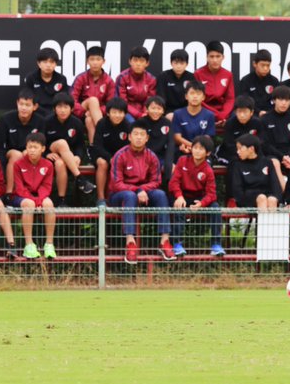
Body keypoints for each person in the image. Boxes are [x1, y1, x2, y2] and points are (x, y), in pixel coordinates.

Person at [108, 125, 174, 265]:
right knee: (129, 196)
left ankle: (164, 241)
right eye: (135, 134)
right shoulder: (120, 155)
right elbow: (116, 183)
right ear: (129, 137)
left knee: (161, 195)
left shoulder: (151, 156)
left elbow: (156, 181)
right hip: (119, 195)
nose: (138, 137)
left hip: (145, 192)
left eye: (142, 135)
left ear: (147, 138)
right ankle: (130, 243)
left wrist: (142, 189)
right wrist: (137, 190)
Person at [169, 135, 224, 257]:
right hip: (182, 196)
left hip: (199, 198)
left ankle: (216, 244)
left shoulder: (208, 169)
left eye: (201, 149)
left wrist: (201, 203)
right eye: (195, 147)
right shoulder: (182, 160)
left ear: (208, 153)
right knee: (178, 207)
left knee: (215, 208)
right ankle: (177, 244)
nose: (197, 151)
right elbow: (174, 182)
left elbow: (211, 194)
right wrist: (179, 196)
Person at [8, 132, 58, 260]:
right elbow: (19, 188)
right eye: (29, 147)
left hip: (39, 196)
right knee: (29, 205)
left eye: (35, 147)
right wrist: (35, 201)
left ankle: (49, 244)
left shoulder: (48, 164)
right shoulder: (18, 164)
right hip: (21, 196)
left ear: (43, 149)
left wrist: (39, 200)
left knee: (49, 204)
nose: (32, 150)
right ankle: (29, 244)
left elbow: (46, 186)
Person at [44, 92, 96, 203]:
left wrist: (77, 156)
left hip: (68, 158)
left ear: (71, 109)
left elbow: (80, 145)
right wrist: (46, 154)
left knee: (60, 164)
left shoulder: (77, 123)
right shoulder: (47, 122)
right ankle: (80, 178)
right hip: (50, 154)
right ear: (54, 109)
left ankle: (62, 200)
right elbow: (40, 142)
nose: (62, 110)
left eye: (66, 107)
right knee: (62, 143)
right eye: (59, 107)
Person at [0, 89, 43, 193]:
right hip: (10, 152)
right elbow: (0, 147)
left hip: (29, 151)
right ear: (17, 103)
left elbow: (42, 144)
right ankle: (9, 192)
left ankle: (30, 192)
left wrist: (29, 151)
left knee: (30, 152)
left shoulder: (40, 121)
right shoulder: (5, 119)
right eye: (21, 104)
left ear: (35, 107)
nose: (24, 108)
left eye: (27, 105)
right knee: (16, 155)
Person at [90, 98, 132, 208]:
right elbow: (97, 146)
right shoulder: (101, 124)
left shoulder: (128, 126)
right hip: (102, 154)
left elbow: (129, 147)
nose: (117, 115)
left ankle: (123, 196)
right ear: (108, 113)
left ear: (125, 114)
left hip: (121, 156)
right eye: (114, 112)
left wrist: (118, 158)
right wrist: (110, 158)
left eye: (120, 112)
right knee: (102, 163)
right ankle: (100, 199)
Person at [71, 45, 116, 144]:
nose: (95, 62)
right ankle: (103, 131)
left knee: (89, 120)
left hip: (98, 115)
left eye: (98, 59)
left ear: (103, 61)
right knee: (93, 100)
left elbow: (111, 104)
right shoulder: (81, 78)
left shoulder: (109, 81)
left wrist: (94, 111)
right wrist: (84, 112)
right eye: (92, 59)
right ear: (87, 61)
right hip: (81, 113)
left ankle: (94, 150)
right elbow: (72, 101)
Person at [228, 134, 282, 212]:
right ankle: (265, 224)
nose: (238, 152)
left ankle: (269, 224)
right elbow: (237, 191)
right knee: (261, 198)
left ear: (251, 149)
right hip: (248, 198)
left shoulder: (267, 163)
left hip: (267, 195)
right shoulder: (237, 165)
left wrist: (277, 198)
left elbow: (276, 186)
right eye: (237, 149)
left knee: (272, 199)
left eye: (240, 149)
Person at [260, 85, 290, 186]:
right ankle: (285, 196)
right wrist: (282, 157)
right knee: (274, 162)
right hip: (273, 154)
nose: (284, 103)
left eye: (287, 100)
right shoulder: (265, 119)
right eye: (281, 99)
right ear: (274, 100)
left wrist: (289, 156)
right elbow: (265, 144)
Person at [171, 80, 217, 157]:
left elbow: (208, 137)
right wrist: (192, 146)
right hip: (183, 150)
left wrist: (196, 148)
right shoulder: (178, 114)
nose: (195, 96)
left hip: (202, 151)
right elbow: (177, 137)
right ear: (186, 96)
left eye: (198, 94)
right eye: (192, 93)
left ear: (203, 97)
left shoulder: (209, 115)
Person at [195, 40, 234, 122]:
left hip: (223, 112)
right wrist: (216, 115)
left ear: (223, 57)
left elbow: (230, 99)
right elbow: (198, 99)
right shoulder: (198, 73)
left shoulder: (228, 74)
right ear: (207, 57)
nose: (215, 60)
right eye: (211, 56)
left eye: (218, 56)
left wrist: (223, 114)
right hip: (204, 110)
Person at [218, 95, 262, 167]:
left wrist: (249, 153)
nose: (242, 115)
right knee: (235, 164)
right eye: (239, 112)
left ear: (251, 112)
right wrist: (242, 153)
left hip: (252, 154)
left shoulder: (258, 123)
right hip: (234, 155)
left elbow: (261, 142)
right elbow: (229, 144)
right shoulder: (230, 123)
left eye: (245, 112)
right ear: (235, 112)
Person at [24, 47, 70, 117]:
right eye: (45, 62)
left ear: (56, 64)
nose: (48, 65)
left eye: (51, 62)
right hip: (36, 112)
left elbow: (64, 100)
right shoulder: (31, 78)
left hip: (56, 114)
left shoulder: (62, 79)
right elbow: (28, 99)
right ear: (39, 64)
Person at [117, 45, 158, 121]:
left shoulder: (151, 79)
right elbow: (122, 102)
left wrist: (144, 113)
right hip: (126, 112)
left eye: (142, 61)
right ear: (130, 61)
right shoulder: (122, 77)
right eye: (135, 60)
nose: (138, 64)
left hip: (145, 112)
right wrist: (138, 115)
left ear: (147, 63)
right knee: (132, 123)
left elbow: (150, 101)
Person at [132, 96, 172, 170]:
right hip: (143, 156)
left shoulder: (167, 123)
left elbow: (170, 143)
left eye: (159, 108)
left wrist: (168, 162)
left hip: (160, 156)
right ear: (147, 109)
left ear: (163, 111)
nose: (156, 111)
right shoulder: (140, 122)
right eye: (153, 108)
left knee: (171, 168)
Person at [237, 49, 278, 115]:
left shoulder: (274, 81)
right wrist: (258, 112)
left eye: (268, 65)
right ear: (254, 64)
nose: (265, 68)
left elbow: (277, 101)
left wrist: (269, 113)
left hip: (271, 115)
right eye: (262, 65)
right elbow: (244, 102)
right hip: (252, 115)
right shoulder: (246, 80)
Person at [156, 48, 192, 114]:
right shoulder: (163, 76)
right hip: (168, 111)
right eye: (176, 63)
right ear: (171, 63)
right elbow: (160, 98)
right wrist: (165, 113)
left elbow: (192, 98)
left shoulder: (191, 77)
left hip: (186, 111)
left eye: (182, 63)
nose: (178, 66)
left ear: (187, 64)